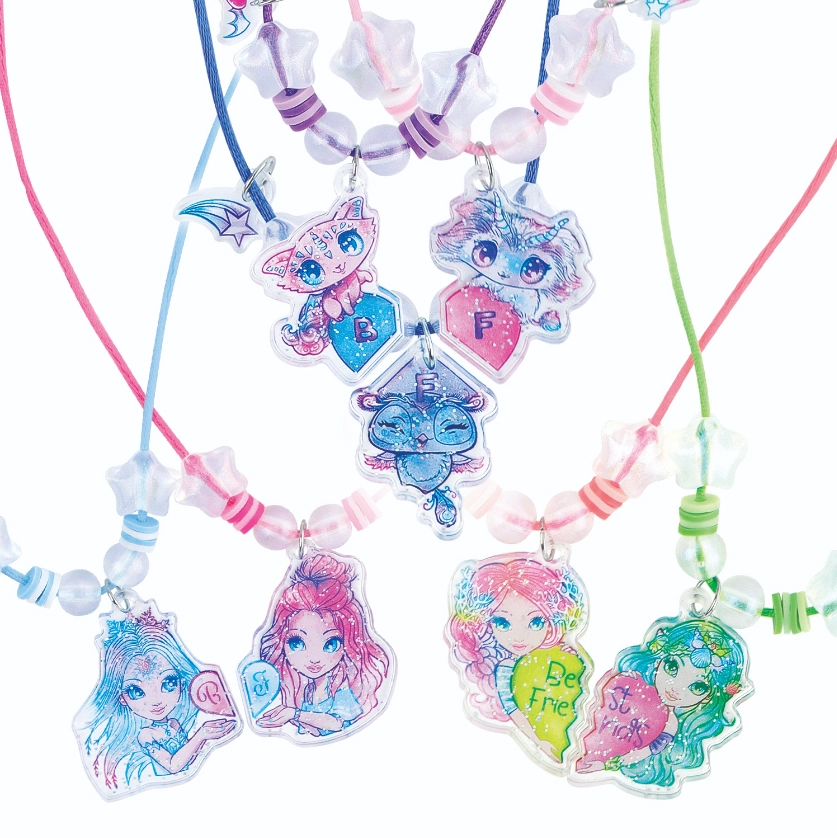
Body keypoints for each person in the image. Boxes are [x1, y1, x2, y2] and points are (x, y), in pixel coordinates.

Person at [75, 608, 235, 796]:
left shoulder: (174, 723)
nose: (156, 701)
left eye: (168, 683)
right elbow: (173, 766)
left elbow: (190, 761)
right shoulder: (146, 735)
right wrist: (202, 735)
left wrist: (208, 737)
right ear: (122, 698)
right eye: (136, 691)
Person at [254, 553, 392, 738]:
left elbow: (336, 723)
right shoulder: (304, 688)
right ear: (281, 641)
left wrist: (293, 714)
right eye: (297, 643)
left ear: (348, 644)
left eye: (330, 644)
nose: (314, 659)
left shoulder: (339, 684)